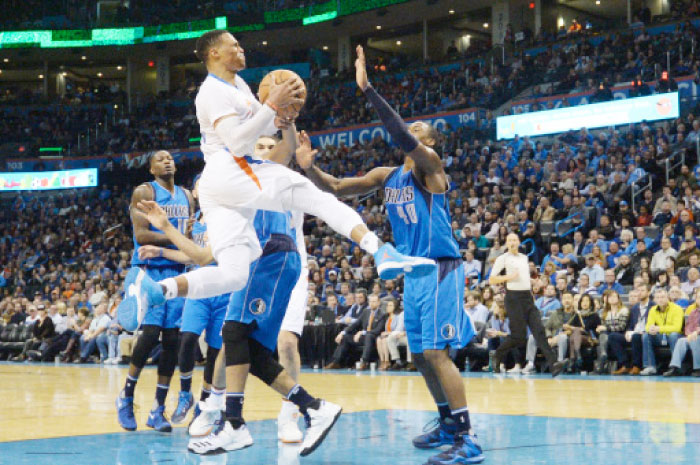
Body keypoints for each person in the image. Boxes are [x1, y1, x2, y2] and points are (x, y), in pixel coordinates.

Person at [119, 30, 434, 337]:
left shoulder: (239, 85)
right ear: (214, 52)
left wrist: (285, 114)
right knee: (317, 198)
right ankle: (380, 251)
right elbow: (238, 143)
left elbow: (268, 124)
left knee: (233, 274)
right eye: (235, 44)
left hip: (221, 184)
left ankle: (157, 291)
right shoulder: (212, 91)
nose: (242, 49)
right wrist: (272, 106)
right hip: (232, 168)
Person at [297, 45, 482, 464]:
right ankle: (446, 421)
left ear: (429, 142)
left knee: (436, 353)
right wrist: (309, 167)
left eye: (420, 129)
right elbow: (338, 188)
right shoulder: (388, 174)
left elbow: (400, 134)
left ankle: (468, 437)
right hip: (413, 273)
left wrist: (369, 90)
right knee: (418, 353)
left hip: (439, 268)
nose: (412, 130)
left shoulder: (430, 166)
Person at [115, 150, 195, 433]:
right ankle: (125, 397)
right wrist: (176, 236)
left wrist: (185, 239)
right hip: (149, 271)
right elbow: (141, 235)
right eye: (160, 159)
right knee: (149, 335)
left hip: (177, 271)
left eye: (171, 158)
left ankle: (157, 409)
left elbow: (191, 234)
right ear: (150, 169)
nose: (167, 161)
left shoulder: (187, 195)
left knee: (172, 340)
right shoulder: (144, 191)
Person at [489, 233, 566, 379]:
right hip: (513, 298)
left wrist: (534, 282)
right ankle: (498, 354)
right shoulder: (503, 258)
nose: (512, 242)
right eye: (510, 240)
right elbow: (492, 279)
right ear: (507, 242)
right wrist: (508, 277)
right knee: (518, 337)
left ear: (518, 242)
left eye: (515, 239)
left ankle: (553, 364)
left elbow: (523, 276)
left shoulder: (524, 257)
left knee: (539, 331)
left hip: (527, 297)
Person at [326, 294, 387, 369]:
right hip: (363, 337)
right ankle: (336, 362)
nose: (372, 303)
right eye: (370, 301)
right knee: (345, 338)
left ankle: (364, 362)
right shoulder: (366, 311)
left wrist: (362, 332)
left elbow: (378, 330)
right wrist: (342, 333)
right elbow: (355, 324)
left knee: (368, 336)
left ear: (378, 303)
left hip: (374, 338)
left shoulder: (382, 314)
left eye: (374, 301)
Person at [640, 289, 684, 375]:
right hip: (661, 336)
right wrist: (651, 329)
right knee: (646, 335)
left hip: (677, 336)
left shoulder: (677, 309)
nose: (660, 299)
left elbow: (677, 328)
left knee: (673, 335)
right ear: (655, 300)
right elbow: (648, 326)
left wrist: (659, 329)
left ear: (668, 298)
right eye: (658, 297)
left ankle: (674, 367)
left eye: (663, 297)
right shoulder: (653, 309)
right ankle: (650, 366)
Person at [663, 288, 700, 377]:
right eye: (698, 297)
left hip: (697, 336)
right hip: (693, 335)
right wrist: (689, 334)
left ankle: (698, 368)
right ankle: (675, 367)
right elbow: (688, 326)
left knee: (695, 339)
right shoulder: (693, 312)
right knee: (681, 341)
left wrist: (696, 332)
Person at [594, 290, 629, 374]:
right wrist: (599, 328)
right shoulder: (606, 312)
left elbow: (621, 327)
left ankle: (624, 364)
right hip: (609, 334)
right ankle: (603, 355)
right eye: (610, 297)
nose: (612, 299)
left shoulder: (623, 310)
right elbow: (603, 326)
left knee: (610, 336)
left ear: (618, 298)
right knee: (602, 335)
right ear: (607, 300)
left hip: (622, 334)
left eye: (614, 296)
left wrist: (605, 328)